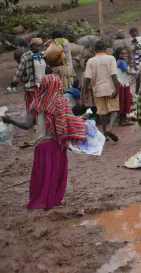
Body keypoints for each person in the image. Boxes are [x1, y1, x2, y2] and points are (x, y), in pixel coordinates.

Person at [2, 75, 89, 209]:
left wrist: (10, 120)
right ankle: (52, 201)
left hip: (41, 146)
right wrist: (84, 122)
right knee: (56, 175)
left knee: (43, 175)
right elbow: (70, 122)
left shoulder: (36, 103)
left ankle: (41, 201)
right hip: (57, 145)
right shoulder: (61, 103)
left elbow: (26, 125)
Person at [82, 41, 120, 141]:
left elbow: (87, 79)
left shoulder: (90, 61)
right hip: (110, 88)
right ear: (105, 49)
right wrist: (117, 88)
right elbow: (114, 75)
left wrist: (85, 92)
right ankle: (110, 127)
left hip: (97, 89)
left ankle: (105, 135)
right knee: (114, 110)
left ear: (95, 49)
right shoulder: (111, 58)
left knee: (102, 112)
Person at [10, 38, 47, 113]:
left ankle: (40, 121)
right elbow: (19, 70)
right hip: (31, 86)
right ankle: (31, 121)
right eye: (37, 46)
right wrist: (14, 83)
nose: (39, 48)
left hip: (43, 85)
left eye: (40, 46)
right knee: (32, 106)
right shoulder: (26, 56)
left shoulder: (42, 54)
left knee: (42, 105)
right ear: (32, 46)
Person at [113, 48, 132, 127]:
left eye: (125, 54)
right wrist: (137, 73)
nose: (124, 55)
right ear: (118, 55)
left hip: (122, 83)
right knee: (124, 102)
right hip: (122, 84)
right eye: (122, 54)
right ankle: (123, 121)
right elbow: (128, 72)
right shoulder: (121, 62)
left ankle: (122, 120)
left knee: (122, 102)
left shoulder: (119, 61)